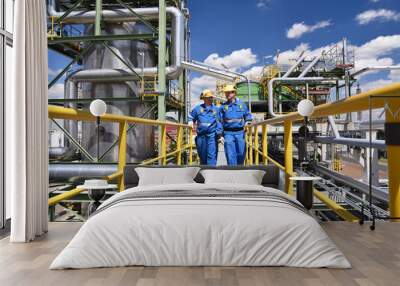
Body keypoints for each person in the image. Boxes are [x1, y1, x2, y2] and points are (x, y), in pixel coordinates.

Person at [218, 84, 253, 165]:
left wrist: (248, 121)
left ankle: (239, 169)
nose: (227, 95)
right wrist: (220, 135)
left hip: (240, 133)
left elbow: (247, 114)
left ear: (234, 93)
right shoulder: (223, 107)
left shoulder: (241, 104)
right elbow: (219, 121)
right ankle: (232, 172)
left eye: (229, 93)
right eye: (226, 93)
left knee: (241, 153)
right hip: (228, 134)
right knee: (230, 155)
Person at [188, 89, 222, 166]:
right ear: (203, 99)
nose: (210, 99)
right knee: (202, 156)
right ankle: (204, 172)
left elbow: (219, 122)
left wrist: (220, 134)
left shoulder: (216, 109)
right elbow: (190, 116)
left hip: (212, 136)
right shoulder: (197, 109)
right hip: (201, 136)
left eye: (210, 97)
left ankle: (211, 173)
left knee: (211, 156)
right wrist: (190, 121)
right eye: (207, 97)